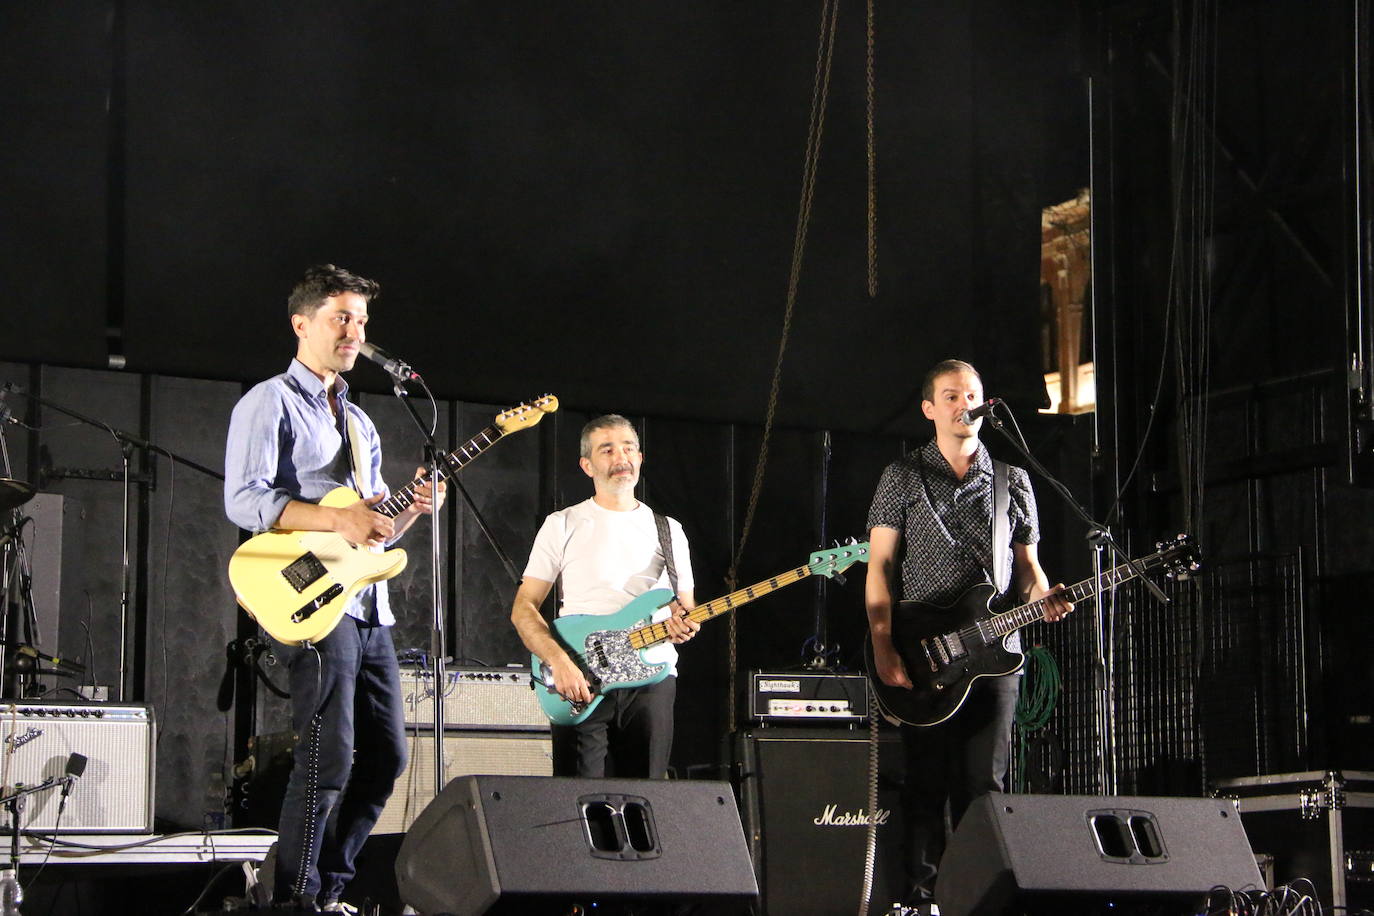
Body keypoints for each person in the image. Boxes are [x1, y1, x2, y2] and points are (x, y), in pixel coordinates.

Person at [224, 264, 444, 912]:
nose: (356, 331)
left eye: (363, 321)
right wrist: (338, 516)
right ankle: (296, 898)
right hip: (310, 600)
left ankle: (330, 891)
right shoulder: (269, 401)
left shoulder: (363, 425)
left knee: (387, 761)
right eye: (341, 317)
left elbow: (371, 538)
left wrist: (407, 511)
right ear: (303, 323)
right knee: (331, 758)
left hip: (368, 605)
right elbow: (245, 498)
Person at [865, 359, 1071, 914]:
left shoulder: (1013, 480)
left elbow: (1029, 571)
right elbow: (879, 567)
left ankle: (982, 896)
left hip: (996, 652)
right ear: (930, 409)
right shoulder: (901, 477)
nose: (964, 403)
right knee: (927, 783)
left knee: (987, 784)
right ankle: (918, 899)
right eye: (951, 395)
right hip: (923, 648)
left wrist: (1043, 599)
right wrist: (884, 644)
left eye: (973, 393)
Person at [511, 414, 699, 778]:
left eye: (629, 448)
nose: (621, 457)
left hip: (652, 678)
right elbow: (524, 608)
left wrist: (684, 624)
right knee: (577, 801)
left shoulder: (668, 530)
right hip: (580, 674)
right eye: (607, 449)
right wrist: (558, 662)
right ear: (587, 465)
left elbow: (686, 607)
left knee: (649, 800)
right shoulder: (562, 523)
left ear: (640, 459)